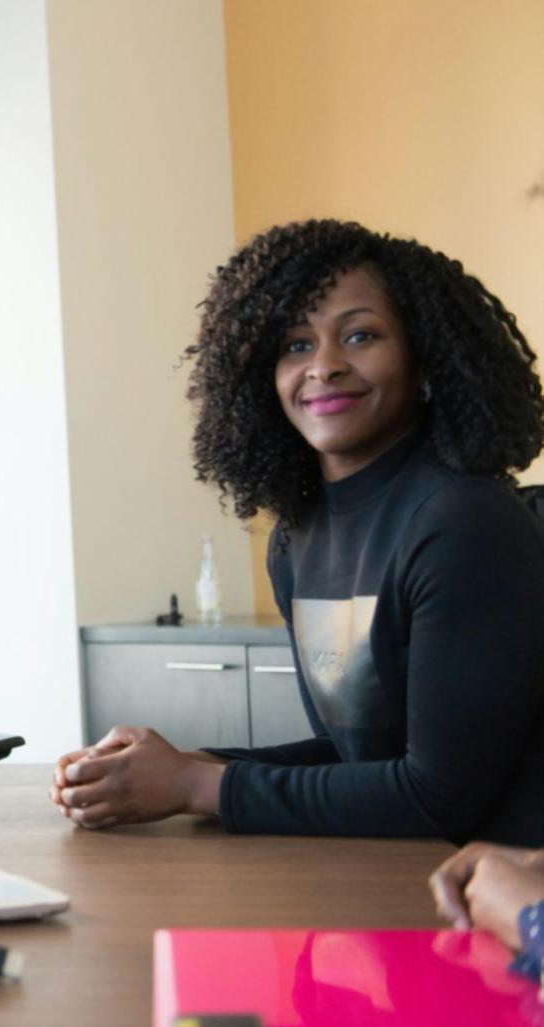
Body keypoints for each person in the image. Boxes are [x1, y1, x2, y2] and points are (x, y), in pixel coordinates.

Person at [50, 219, 544, 843]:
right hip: (390, 880)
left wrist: (194, 788)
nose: (325, 366)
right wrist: (181, 768)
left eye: (361, 335)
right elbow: (355, 758)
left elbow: (437, 796)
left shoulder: (466, 521)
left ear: (424, 358)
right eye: (295, 345)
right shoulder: (296, 537)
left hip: (500, 905)